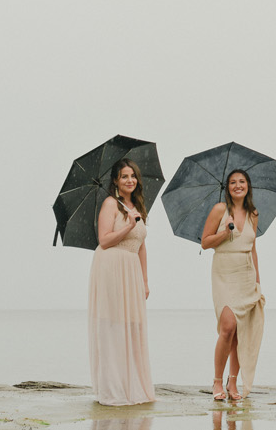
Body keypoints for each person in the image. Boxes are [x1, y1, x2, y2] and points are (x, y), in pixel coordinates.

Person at [88, 159, 155, 406]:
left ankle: (132, 384)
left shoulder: (136, 205)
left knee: (133, 325)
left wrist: (145, 280)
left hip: (131, 268)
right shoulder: (110, 204)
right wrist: (127, 226)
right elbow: (104, 240)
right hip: (111, 266)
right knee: (114, 325)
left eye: (133, 176)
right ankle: (113, 387)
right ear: (115, 180)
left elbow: (142, 246)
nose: (130, 180)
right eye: (124, 176)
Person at [202, 169, 265, 401]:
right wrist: (225, 232)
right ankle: (217, 381)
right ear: (227, 187)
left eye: (242, 182)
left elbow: (253, 248)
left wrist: (257, 281)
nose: (238, 185)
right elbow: (206, 242)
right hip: (224, 274)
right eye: (232, 182)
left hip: (246, 276)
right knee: (227, 326)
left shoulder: (253, 213)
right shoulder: (220, 210)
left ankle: (233, 383)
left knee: (238, 333)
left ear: (248, 185)